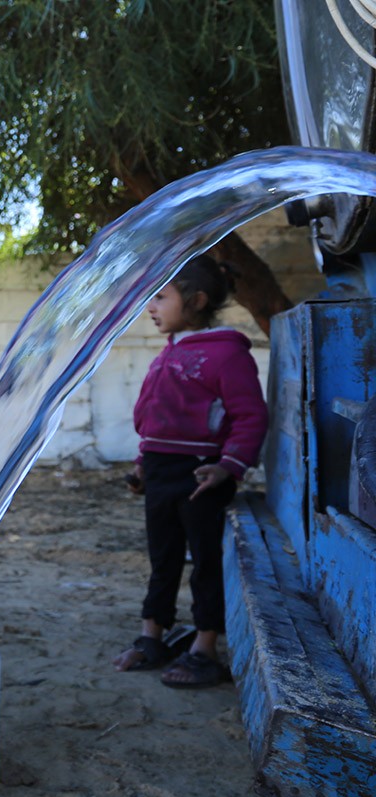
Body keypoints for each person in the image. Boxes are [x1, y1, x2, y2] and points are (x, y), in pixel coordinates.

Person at [112, 255, 268, 688]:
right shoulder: (170, 353)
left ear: (196, 301)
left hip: (201, 476)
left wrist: (228, 467)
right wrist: (143, 464)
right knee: (162, 560)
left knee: (204, 563)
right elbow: (156, 419)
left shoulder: (226, 354)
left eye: (161, 297)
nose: (151, 306)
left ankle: (204, 647)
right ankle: (152, 637)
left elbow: (251, 415)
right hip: (161, 472)